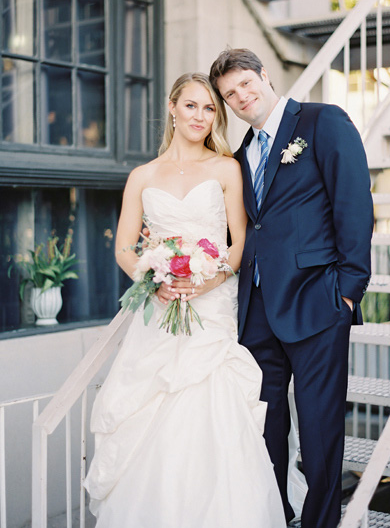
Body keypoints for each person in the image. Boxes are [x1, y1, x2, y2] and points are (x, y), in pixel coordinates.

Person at [84, 72, 287, 528]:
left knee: (211, 412)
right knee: (151, 412)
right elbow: (122, 247)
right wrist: (152, 280)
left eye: (210, 108)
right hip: (159, 310)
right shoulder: (142, 176)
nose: (200, 116)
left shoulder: (225, 168)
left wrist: (211, 280)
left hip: (212, 308)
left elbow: (239, 243)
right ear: (172, 107)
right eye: (191, 105)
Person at [208, 48, 374, 528]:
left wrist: (349, 288)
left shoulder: (323, 122)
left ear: (265, 76)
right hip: (256, 308)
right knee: (266, 427)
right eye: (230, 94)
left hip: (317, 299)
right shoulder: (240, 154)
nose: (241, 97)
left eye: (245, 83)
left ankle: (321, 523)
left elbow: (353, 206)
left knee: (320, 429)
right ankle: (275, 515)